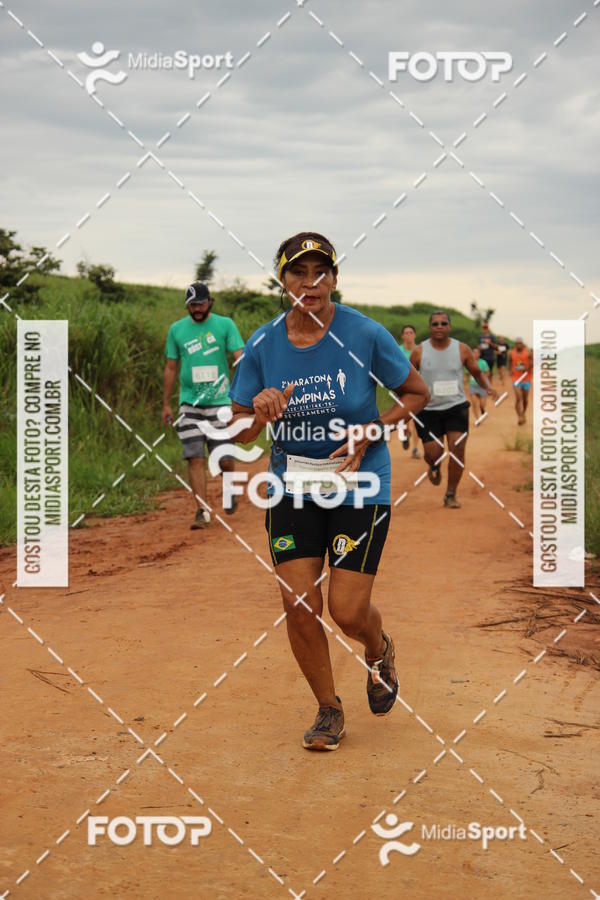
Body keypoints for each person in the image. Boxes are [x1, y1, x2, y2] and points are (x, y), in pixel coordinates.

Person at [228, 232, 430, 751]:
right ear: (282, 281)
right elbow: (238, 428)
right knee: (299, 603)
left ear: (335, 280)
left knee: (347, 612)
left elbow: (416, 392)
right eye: (298, 272)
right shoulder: (262, 345)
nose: (310, 283)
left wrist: (374, 427)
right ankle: (328, 709)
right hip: (292, 486)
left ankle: (378, 647)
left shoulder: (364, 333)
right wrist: (259, 412)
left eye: (320, 272)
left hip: (359, 483)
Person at [162, 281, 244, 529]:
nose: (196, 308)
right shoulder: (177, 330)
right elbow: (171, 367)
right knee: (194, 457)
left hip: (221, 403)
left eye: (200, 303)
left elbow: (240, 357)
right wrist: (166, 404)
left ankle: (229, 485)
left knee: (224, 459)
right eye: (192, 305)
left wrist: (243, 396)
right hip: (189, 405)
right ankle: (202, 510)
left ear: (210, 302)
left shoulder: (225, 325)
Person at [410, 311, 497, 509]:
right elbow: (407, 377)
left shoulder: (462, 349)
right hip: (428, 410)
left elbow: (477, 372)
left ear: (449, 326)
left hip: (456, 407)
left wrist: (488, 387)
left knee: (457, 450)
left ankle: (451, 494)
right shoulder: (419, 351)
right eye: (435, 324)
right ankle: (434, 464)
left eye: (443, 323)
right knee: (433, 453)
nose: (439, 327)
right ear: (430, 327)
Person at [399, 324, 420, 458]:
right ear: (402, 336)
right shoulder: (398, 350)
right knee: (404, 419)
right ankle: (406, 434)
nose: (408, 335)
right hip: (401, 389)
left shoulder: (419, 350)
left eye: (411, 333)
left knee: (417, 420)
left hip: (417, 390)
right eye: (406, 333)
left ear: (414, 335)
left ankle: (416, 449)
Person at [509, 337, 532, 425]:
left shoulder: (528, 352)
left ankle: (523, 413)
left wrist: (528, 368)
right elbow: (510, 361)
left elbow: (534, 362)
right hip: (516, 378)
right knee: (518, 397)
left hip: (526, 378)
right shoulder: (511, 353)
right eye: (517, 343)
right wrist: (510, 370)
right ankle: (519, 417)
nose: (518, 345)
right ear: (515, 344)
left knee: (525, 399)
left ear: (522, 344)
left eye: (520, 343)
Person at [468, 347, 490, 419]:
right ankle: (477, 419)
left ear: (479, 354)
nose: (474, 354)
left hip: (482, 386)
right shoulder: (469, 362)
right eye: (473, 352)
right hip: (473, 385)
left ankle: (482, 409)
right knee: (474, 403)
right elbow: (467, 374)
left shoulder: (483, 362)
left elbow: (487, 373)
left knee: (482, 404)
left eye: (476, 352)